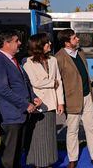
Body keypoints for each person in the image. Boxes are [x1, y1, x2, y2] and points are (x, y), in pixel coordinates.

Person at [55, 29, 93, 168]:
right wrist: (61, 102)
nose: (78, 39)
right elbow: (58, 82)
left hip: (87, 96)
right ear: (67, 43)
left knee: (91, 128)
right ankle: (73, 159)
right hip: (72, 100)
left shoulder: (80, 53)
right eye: (74, 38)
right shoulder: (58, 58)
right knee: (72, 131)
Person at [0, 30, 42, 168]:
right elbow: (2, 89)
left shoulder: (13, 59)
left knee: (17, 154)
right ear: (6, 43)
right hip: (10, 115)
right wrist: (24, 104)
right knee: (9, 156)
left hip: (20, 115)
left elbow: (24, 82)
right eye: (16, 41)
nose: (20, 43)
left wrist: (34, 98)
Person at [23, 33, 64, 167]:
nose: (50, 44)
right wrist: (53, 83)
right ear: (39, 45)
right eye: (47, 43)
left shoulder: (53, 60)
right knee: (39, 137)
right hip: (38, 105)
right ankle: (39, 162)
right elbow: (35, 82)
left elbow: (60, 81)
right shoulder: (27, 62)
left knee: (50, 136)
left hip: (52, 104)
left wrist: (60, 102)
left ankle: (49, 161)